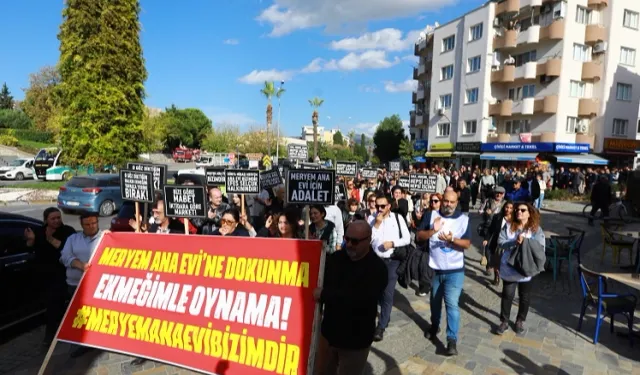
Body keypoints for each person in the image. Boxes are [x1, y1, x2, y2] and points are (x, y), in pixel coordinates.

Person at [316, 221, 388, 375]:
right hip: (329, 335)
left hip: (355, 341)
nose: (349, 244)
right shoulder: (336, 259)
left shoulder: (377, 268)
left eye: (355, 241)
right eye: (346, 239)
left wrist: (323, 295)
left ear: (368, 240)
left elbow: (359, 299)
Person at [417, 190, 471, 356]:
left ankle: (451, 340)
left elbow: (467, 244)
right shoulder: (431, 215)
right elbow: (419, 237)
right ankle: (434, 326)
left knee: (451, 304)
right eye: (446, 201)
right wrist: (433, 230)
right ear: (442, 200)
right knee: (434, 302)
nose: (448, 205)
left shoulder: (463, 219)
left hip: (455, 269)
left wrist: (452, 239)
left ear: (457, 202)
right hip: (435, 268)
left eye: (452, 202)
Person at [24, 207, 77, 345]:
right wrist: (30, 241)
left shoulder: (68, 231)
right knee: (50, 306)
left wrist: (50, 238)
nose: (57, 221)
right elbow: (30, 250)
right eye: (53, 218)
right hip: (44, 274)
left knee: (60, 304)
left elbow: (65, 250)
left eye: (58, 217)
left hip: (61, 274)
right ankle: (52, 333)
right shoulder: (39, 232)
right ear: (46, 220)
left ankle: (58, 334)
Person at [59, 212, 105, 357]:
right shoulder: (73, 239)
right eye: (87, 224)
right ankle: (81, 344)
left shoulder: (105, 237)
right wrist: (80, 265)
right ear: (81, 224)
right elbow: (64, 257)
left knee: (97, 315)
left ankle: (99, 341)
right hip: (75, 284)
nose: (92, 227)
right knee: (79, 317)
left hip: (97, 286)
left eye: (94, 223)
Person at [496, 202, 545, 335]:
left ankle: (520, 320)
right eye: (517, 210)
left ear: (529, 213)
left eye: (523, 210)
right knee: (507, 295)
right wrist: (514, 242)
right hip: (509, 268)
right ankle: (504, 321)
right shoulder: (508, 226)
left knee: (525, 296)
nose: (519, 212)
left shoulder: (535, 229)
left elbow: (541, 247)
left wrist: (526, 242)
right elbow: (500, 242)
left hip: (526, 268)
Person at [368, 193, 411, 341]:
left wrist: (392, 243)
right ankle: (370, 321)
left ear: (389, 206)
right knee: (373, 292)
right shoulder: (372, 219)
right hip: (375, 261)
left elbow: (407, 238)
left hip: (392, 261)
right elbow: (369, 239)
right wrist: (377, 224)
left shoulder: (398, 219)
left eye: (382, 206)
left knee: (387, 293)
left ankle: (382, 325)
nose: (379, 208)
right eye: (377, 205)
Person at [482, 201, 514, 285]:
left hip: (510, 245)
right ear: (504, 207)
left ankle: (507, 279)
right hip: (498, 244)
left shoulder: (515, 219)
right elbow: (491, 229)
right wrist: (486, 239)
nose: (508, 209)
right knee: (496, 262)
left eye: (511, 208)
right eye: (507, 207)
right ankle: (497, 276)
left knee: (507, 264)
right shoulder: (498, 217)